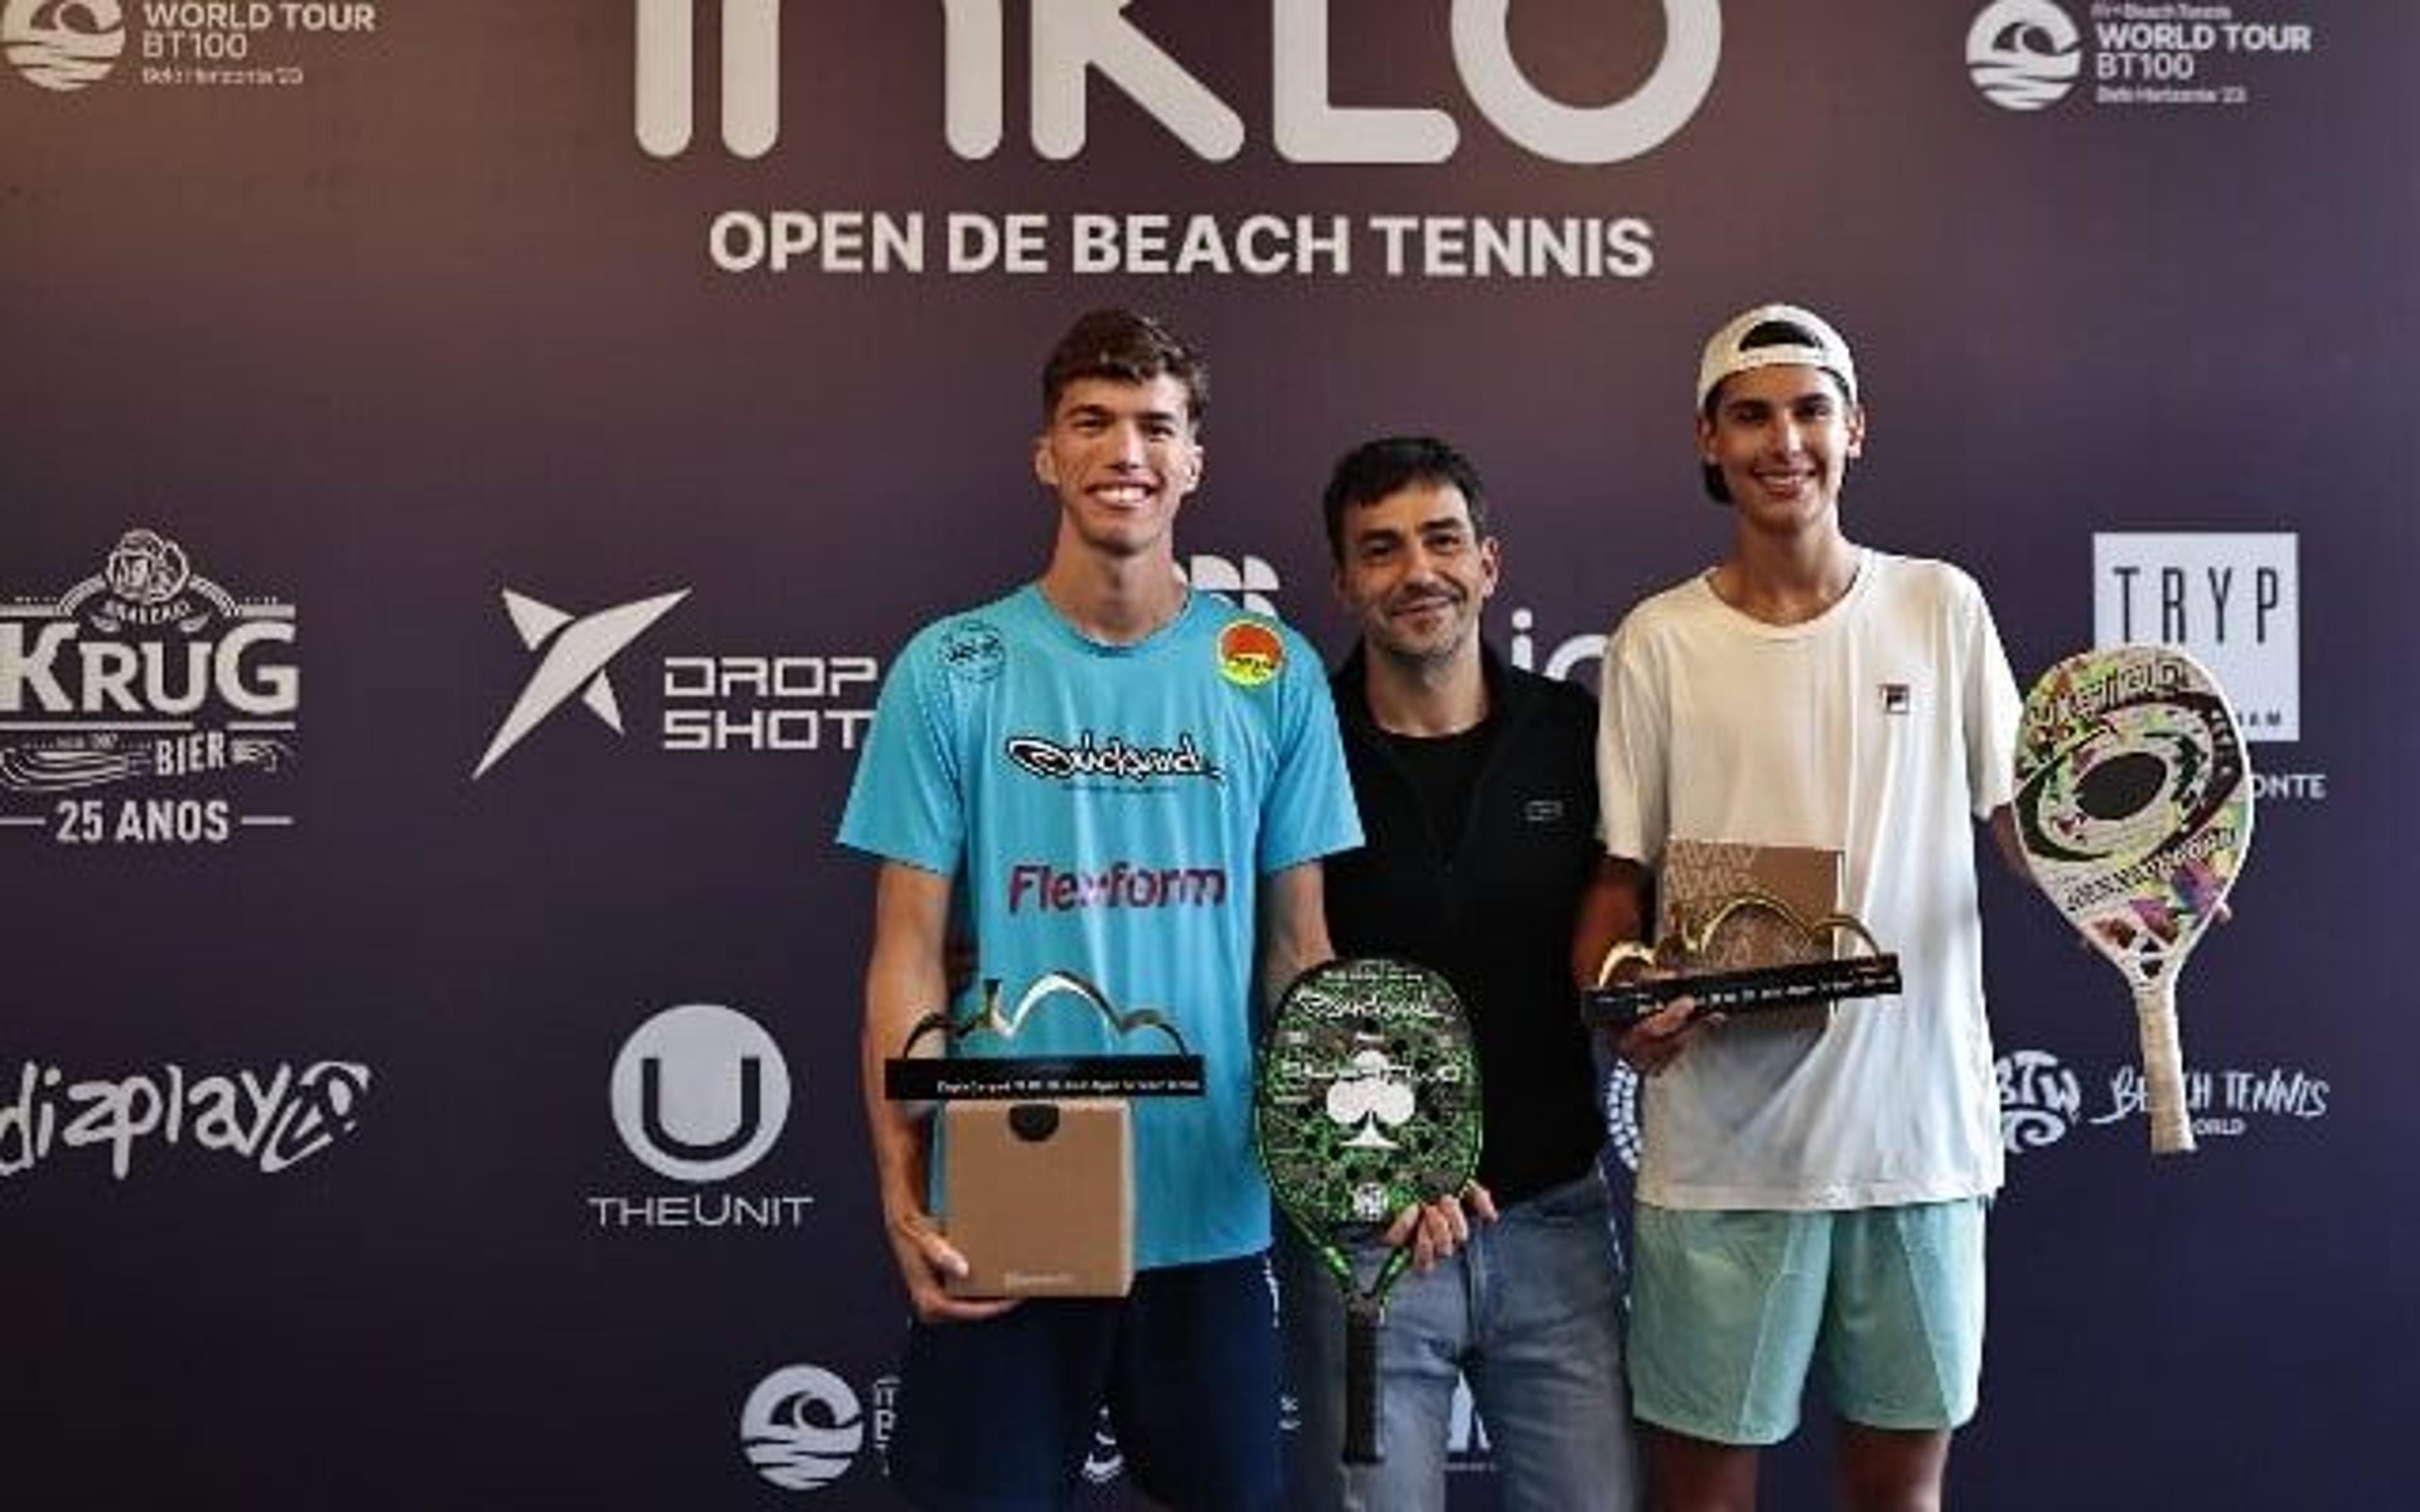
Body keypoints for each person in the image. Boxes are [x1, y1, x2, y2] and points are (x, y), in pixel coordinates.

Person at [836, 307, 1362, 1511]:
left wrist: (1358, 1138)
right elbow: (905, 952)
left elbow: (1300, 952)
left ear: (1192, 462)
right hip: (1013, 1201)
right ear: (1047, 454)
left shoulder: (1265, 668)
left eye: (1152, 426)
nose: (1124, 449)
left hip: (1211, 1202)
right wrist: (900, 1187)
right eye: (1093, 421)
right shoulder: (952, 666)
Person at [1575, 303, 2024, 1512]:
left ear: (1856, 429)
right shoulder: (1657, 642)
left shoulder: (1942, 606)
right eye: (1754, 414)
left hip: (1918, 1147)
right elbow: (1622, 880)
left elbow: (2020, 823)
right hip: (1725, 1160)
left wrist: (2128, 884)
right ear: (1709, 441)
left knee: (1900, 1496)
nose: (1787, 440)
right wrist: (1626, 998)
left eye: (1811, 410)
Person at [1280, 435, 1641, 1510]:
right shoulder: (1302, 742)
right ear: (1343, 583)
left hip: (1555, 1225)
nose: (1416, 572)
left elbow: (1627, 936)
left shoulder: (1578, 733)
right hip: (1366, 1239)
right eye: (1380, 551)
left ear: (1490, 562)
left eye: (1442, 541)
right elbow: (1288, 970)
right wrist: (1382, 1170)